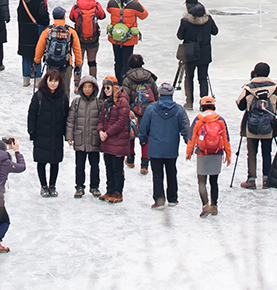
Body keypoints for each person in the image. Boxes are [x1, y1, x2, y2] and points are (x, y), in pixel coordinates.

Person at [139, 81, 191, 209]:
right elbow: (185, 128)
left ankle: (159, 200)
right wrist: (189, 142)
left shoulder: (151, 108)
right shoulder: (179, 110)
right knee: (171, 172)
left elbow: (144, 126)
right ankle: (173, 198)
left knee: (157, 174)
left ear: (159, 93)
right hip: (171, 148)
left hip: (155, 148)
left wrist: (143, 139)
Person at [236, 65, 277, 188]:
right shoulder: (274, 88)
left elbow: (240, 105)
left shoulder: (248, 88)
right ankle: (266, 180)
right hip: (268, 127)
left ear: (255, 73)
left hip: (252, 127)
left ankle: (251, 180)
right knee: (267, 153)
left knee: (252, 153)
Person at [186, 95, 231, 216]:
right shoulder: (220, 119)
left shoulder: (198, 119)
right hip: (217, 152)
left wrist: (189, 152)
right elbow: (226, 138)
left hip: (202, 153)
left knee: (202, 181)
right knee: (214, 181)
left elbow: (192, 137)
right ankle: (214, 205)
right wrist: (228, 154)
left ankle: (205, 205)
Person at [28, 68, 69, 197]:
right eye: (51, 81)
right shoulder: (39, 96)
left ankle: (52, 185)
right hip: (41, 134)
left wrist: (66, 134)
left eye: (55, 81)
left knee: (55, 161)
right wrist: (31, 131)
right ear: (46, 81)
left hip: (56, 134)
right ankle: (43, 185)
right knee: (41, 161)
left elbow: (67, 116)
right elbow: (32, 114)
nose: (53, 84)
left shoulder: (62, 96)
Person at [174, 0, 218, 109]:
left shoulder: (185, 21)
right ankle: (204, 103)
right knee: (203, 78)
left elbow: (180, 36)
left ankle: (189, 102)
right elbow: (215, 31)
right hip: (205, 53)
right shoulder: (208, 19)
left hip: (190, 53)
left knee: (189, 77)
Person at [96, 77, 133, 202]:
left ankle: (118, 192)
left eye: (108, 88)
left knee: (117, 168)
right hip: (107, 142)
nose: (106, 91)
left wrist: (107, 133)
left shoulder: (122, 102)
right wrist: (100, 130)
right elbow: (101, 119)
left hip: (118, 141)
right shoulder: (106, 102)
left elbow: (121, 122)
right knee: (109, 167)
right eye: (105, 88)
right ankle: (110, 190)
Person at [67, 73, 103, 199]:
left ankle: (94, 186)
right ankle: (79, 186)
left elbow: (102, 121)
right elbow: (71, 120)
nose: (87, 89)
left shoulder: (99, 103)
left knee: (95, 165)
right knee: (80, 165)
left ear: (94, 88)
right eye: (85, 87)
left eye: (90, 87)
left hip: (94, 139)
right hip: (80, 139)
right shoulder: (76, 102)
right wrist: (69, 136)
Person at [35, 9, 82, 102]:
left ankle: (51, 107)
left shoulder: (48, 31)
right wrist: (78, 64)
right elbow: (77, 49)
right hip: (66, 64)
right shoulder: (70, 31)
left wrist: (36, 61)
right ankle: (64, 110)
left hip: (51, 63)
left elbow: (40, 47)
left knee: (50, 88)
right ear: (64, 16)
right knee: (65, 88)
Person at [105, 0, 147, 84]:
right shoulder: (134, 4)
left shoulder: (112, 3)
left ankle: (118, 81)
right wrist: (135, 0)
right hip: (129, 39)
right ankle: (124, 83)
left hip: (115, 38)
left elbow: (108, 10)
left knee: (117, 61)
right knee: (126, 62)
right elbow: (144, 15)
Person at [17, 0, 52, 83]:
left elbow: (19, 13)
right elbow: (44, 16)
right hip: (37, 29)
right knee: (38, 53)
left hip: (24, 29)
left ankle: (26, 79)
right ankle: (37, 79)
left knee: (26, 54)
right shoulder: (39, 0)